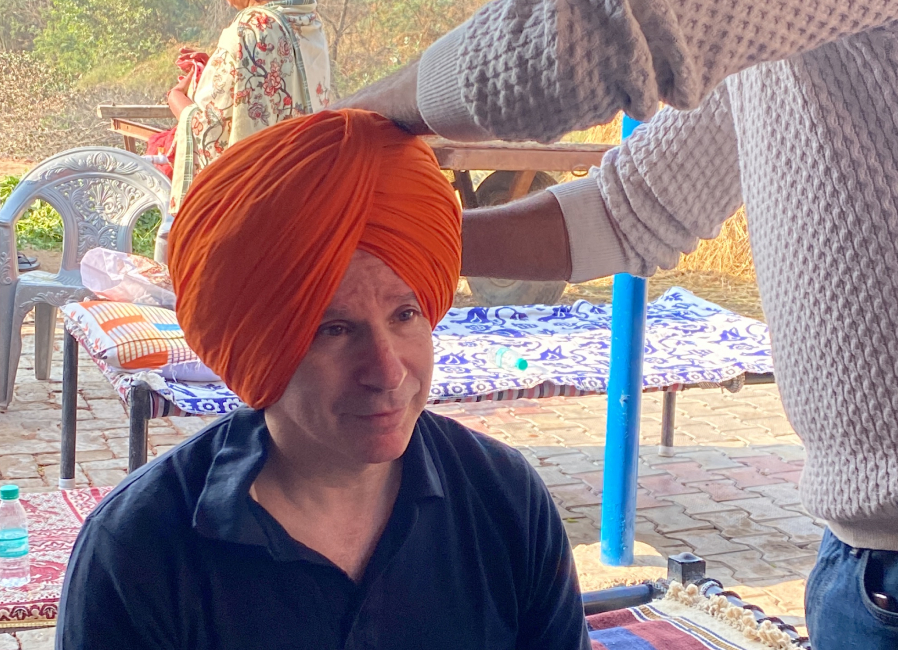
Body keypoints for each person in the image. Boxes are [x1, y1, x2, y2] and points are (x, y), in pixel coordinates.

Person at [335, 2, 898, 648]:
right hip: (859, 563)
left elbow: (586, 38)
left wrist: (342, 127)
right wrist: (398, 243)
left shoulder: (505, 505)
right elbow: (630, 208)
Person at [55, 110, 590, 650]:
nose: (386, 371)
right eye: (333, 329)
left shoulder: (504, 500)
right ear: (260, 348)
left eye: (405, 315)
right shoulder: (139, 550)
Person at [152, 0, 331, 262]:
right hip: (299, 197)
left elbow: (212, 134)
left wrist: (177, 100)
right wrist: (215, 68)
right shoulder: (307, 21)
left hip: (250, 210)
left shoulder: (250, 28)